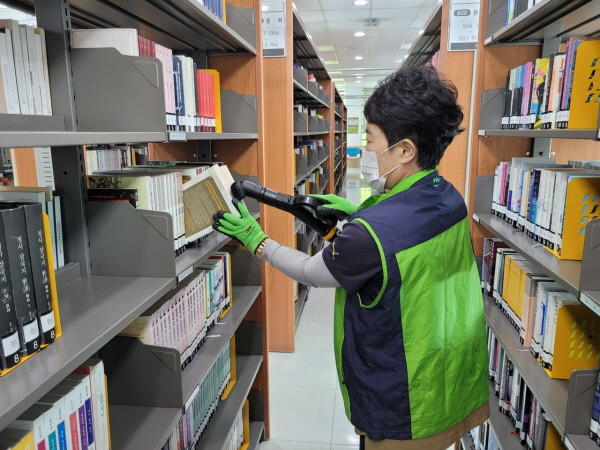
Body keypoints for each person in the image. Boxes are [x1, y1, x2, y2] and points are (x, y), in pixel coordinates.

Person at [213, 65, 489, 450]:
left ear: (405, 149)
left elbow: (311, 271)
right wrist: (355, 216)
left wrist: (257, 241)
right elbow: (399, 252)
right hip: (453, 380)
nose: (368, 149)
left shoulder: (371, 234)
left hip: (405, 404)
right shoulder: (447, 195)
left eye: (372, 138)